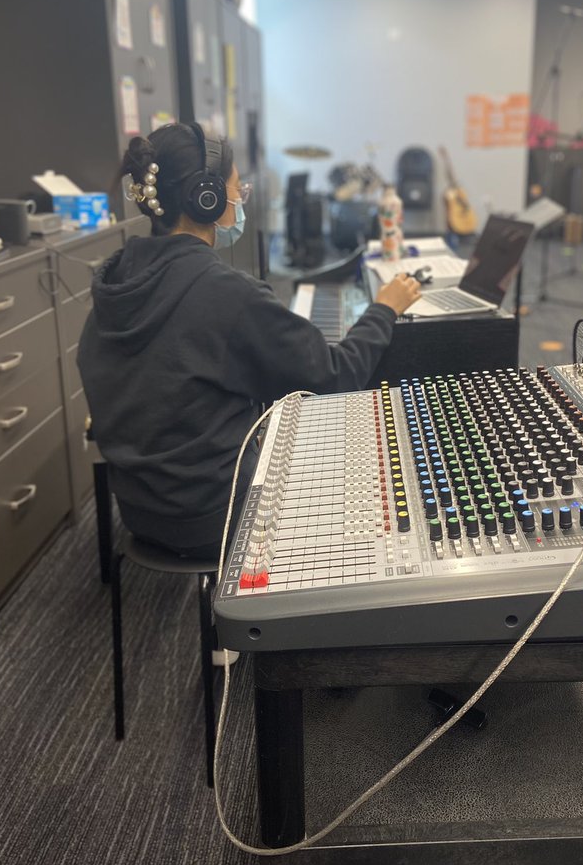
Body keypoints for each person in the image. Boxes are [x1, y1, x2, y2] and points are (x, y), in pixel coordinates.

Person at [78, 122, 420, 558]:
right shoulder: (225, 293)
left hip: (139, 510)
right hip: (215, 515)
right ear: (208, 198)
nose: (241, 198)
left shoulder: (119, 276)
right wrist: (385, 308)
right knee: (354, 464)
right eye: (238, 187)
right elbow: (335, 377)